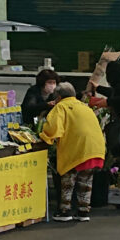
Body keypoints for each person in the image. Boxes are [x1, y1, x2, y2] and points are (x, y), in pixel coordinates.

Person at [41, 82, 106, 223]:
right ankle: (83, 211)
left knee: (68, 181)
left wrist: (44, 138)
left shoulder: (61, 107)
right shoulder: (84, 107)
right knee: (86, 182)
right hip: (95, 148)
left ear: (58, 96)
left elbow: (53, 128)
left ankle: (65, 211)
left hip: (76, 149)